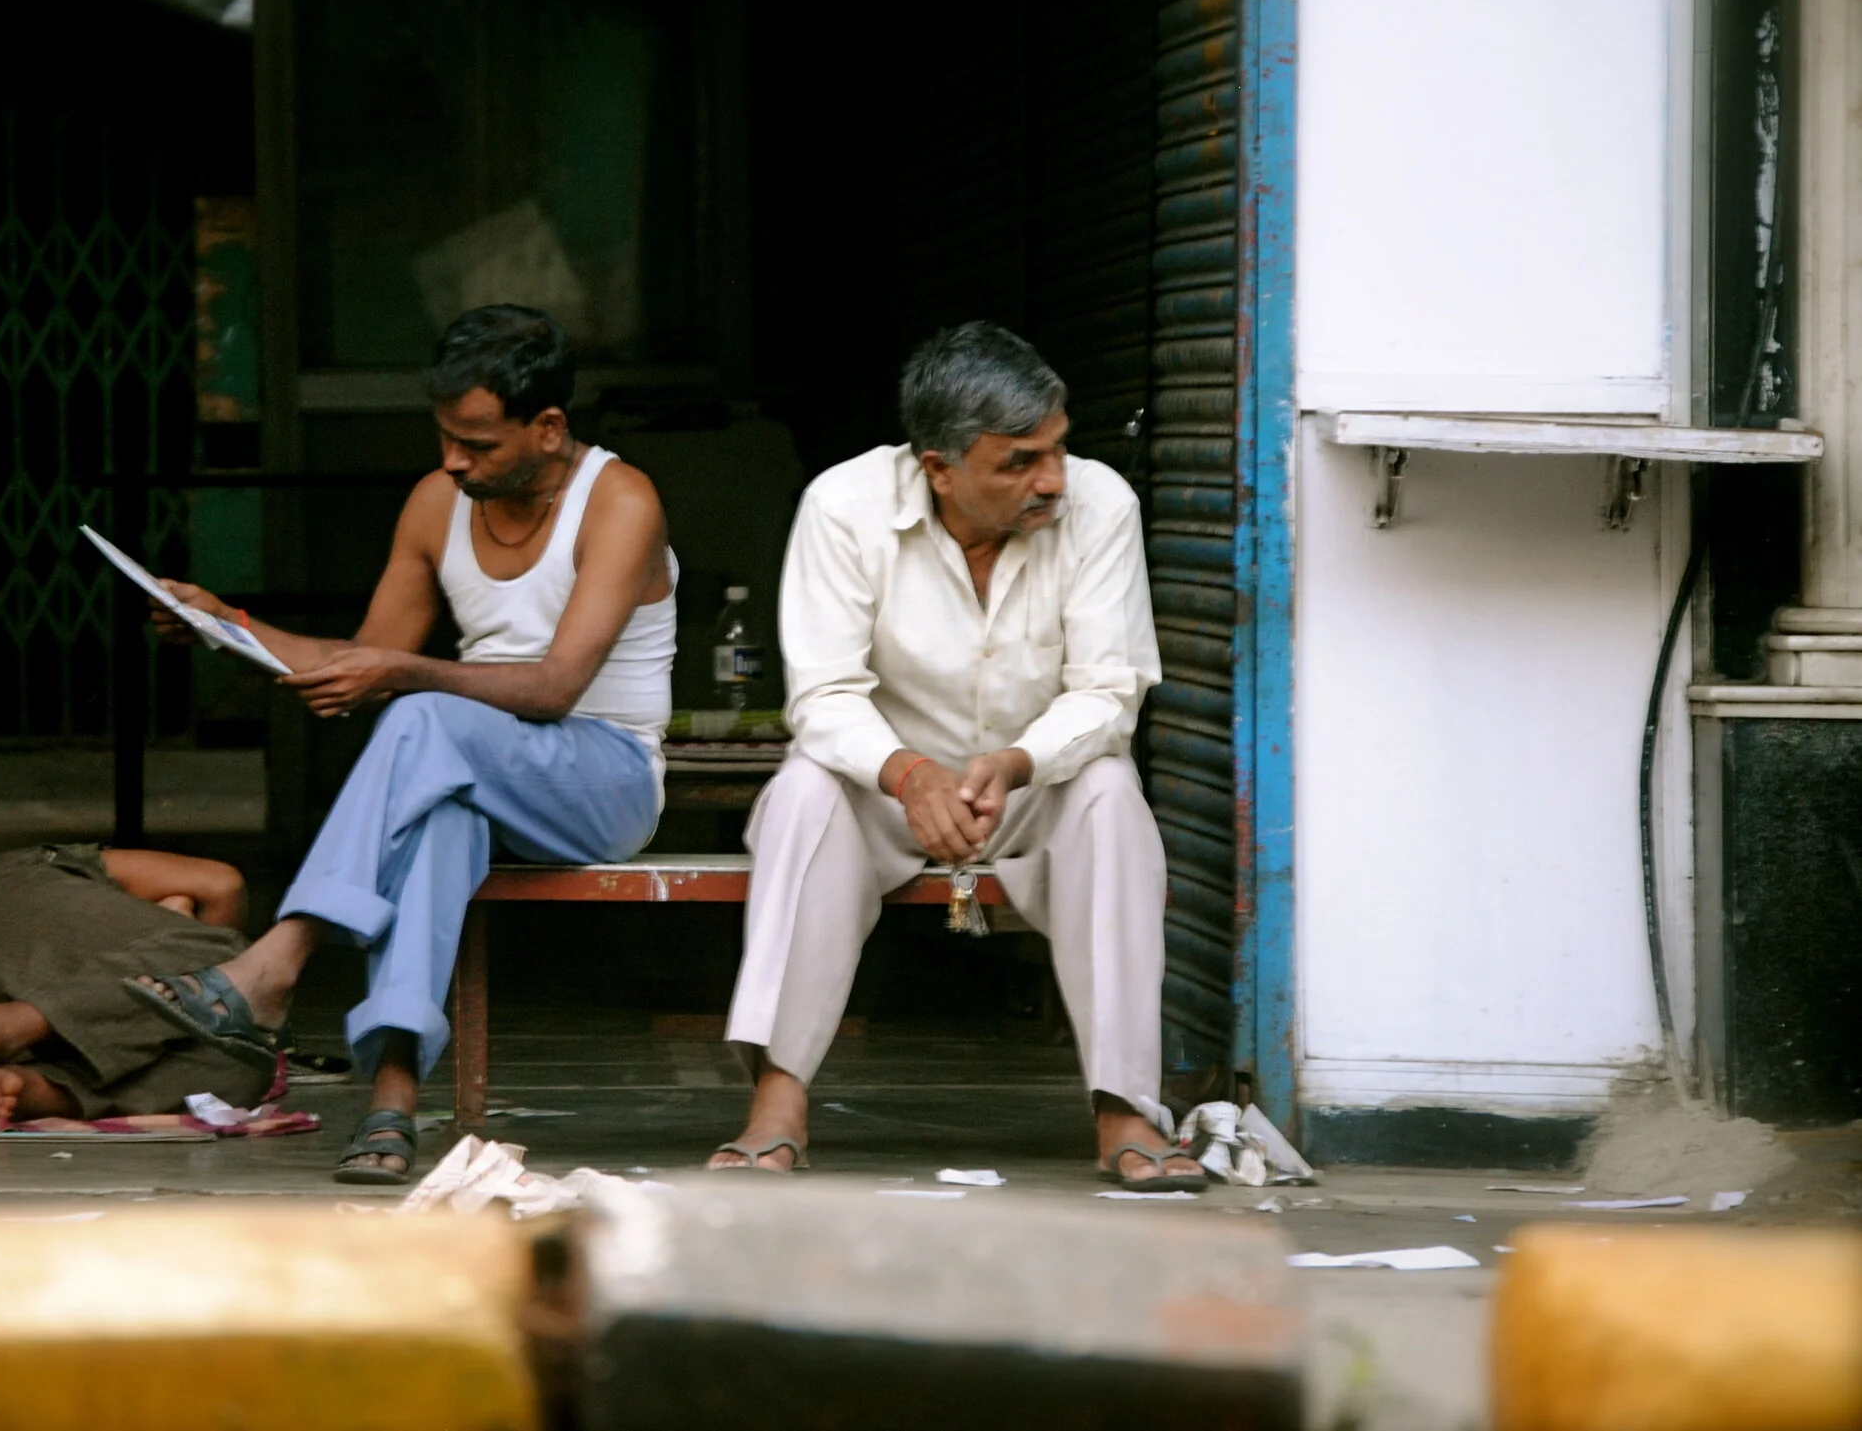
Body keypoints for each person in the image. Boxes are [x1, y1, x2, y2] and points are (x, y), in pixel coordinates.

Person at [145, 305, 677, 1184]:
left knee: (423, 718)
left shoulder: (619, 500)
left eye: (477, 443)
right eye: (444, 438)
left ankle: (285, 953)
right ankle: (390, 1109)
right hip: (471, 762)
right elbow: (362, 662)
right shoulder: (437, 504)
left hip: (602, 776)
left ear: (548, 428)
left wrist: (402, 673)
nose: (452, 462)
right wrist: (225, 622)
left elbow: (552, 690)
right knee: (435, 819)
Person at [708, 322, 1203, 1189]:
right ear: (937, 466)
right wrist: (909, 774)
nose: (1050, 479)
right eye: (1017, 462)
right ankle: (777, 1102)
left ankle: (1125, 1106)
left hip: (1034, 783)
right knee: (798, 794)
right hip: (885, 790)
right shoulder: (843, 504)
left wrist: (1014, 763)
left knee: (1114, 795)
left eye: (1055, 448)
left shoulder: (1102, 504)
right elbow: (822, 695)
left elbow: (1106, 692)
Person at [0, 844, 267, 1125]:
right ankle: (13, 1024)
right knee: (230, 956)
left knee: (245, 1063)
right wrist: (182, 937)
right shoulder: (49, 871)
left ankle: (34, 1091)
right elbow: (222, 885)